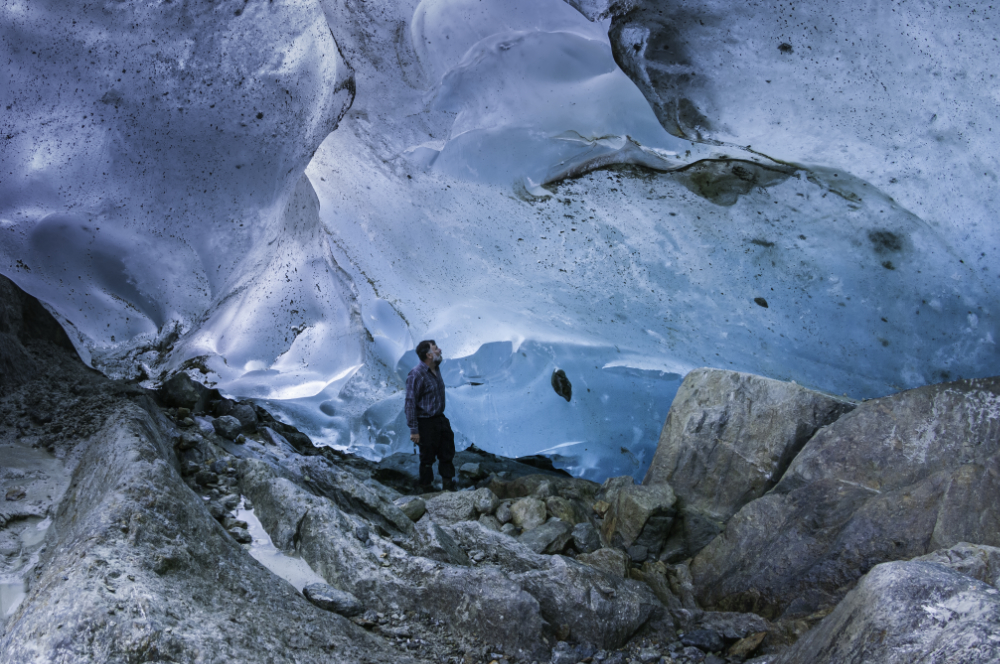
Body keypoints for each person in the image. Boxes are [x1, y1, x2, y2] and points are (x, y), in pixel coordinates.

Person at [405, 340, 455, 492]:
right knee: (427, 457)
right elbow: (410, 403)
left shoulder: (436, 368)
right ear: (428, 355)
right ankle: (426, 489)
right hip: (425, 422)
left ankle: (448, 485)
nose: (439, 350)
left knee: (447, 451)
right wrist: (414, 429)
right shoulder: (416, 374)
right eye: (435, 349)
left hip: (440, 419)